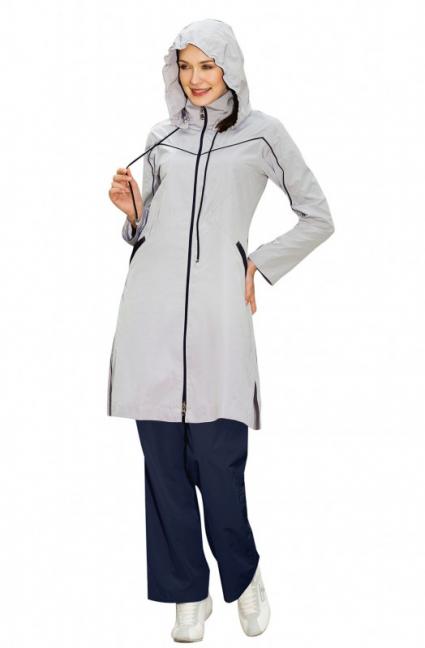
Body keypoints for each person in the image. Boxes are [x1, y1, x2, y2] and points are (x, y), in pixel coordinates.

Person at [107, 18, 335, 643]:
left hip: (217, 322)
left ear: (230, 66)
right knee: (164, 469)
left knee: (218, 464)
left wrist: (258, 262)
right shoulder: (160, 139)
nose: (196, 79)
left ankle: (244, 575)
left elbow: (318, 216)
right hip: (150, 317)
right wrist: (132, 214)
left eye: (207, 65)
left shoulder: (264, 134)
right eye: (185, 66)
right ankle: (188, 592)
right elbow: (149, 231)